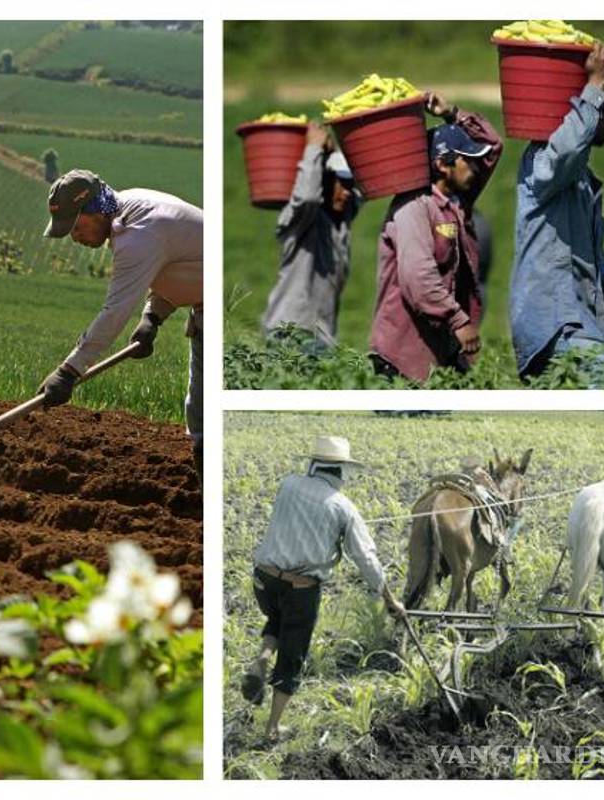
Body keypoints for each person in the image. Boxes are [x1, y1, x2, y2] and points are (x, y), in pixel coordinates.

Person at [509, 41, 604, 382]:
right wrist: (593, 88)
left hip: (578, 323)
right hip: (557, 326)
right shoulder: (543, 162)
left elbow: (594, 267)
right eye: (603, 110)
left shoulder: (581, 183)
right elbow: (564, 152)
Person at [241, 435, 405, 739]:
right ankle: (273, 728)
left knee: (277, 617)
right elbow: (366, 559)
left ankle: (262, 659)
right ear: (341, 471)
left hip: (263, 580)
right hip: (300, 588)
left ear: (314, 464)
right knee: (292, 653)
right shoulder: (344, 508)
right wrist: (391, 599)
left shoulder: (288, 484)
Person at [39, 169, 204, 466]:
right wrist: (153, 315)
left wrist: (69, 371)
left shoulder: (137, 234)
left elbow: (115, 311)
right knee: (202, 417)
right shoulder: (130, 205)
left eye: (76, 227)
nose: (74, 238)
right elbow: (186, 265)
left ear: (95, 211)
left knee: (210, 422)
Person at [369, 92, 503, 382]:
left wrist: (451, 113)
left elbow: (492, 146)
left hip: (440, 357)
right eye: (469, 161)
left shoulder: (456, 202)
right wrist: (458, 320)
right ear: (444, 165)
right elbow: (418, 276)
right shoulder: (414, 208)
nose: (477, 168)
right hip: (402, 362)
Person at [260, 121, 360, 342]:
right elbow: (307, 197)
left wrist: (334, 151)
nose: (347, 193)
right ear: (324, 181)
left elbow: (364, 189)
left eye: (349, 185)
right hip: (290, 332)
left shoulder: (341, 223)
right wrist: (313, 149)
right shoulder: (303, 221)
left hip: (321, 337)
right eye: (340, 184)